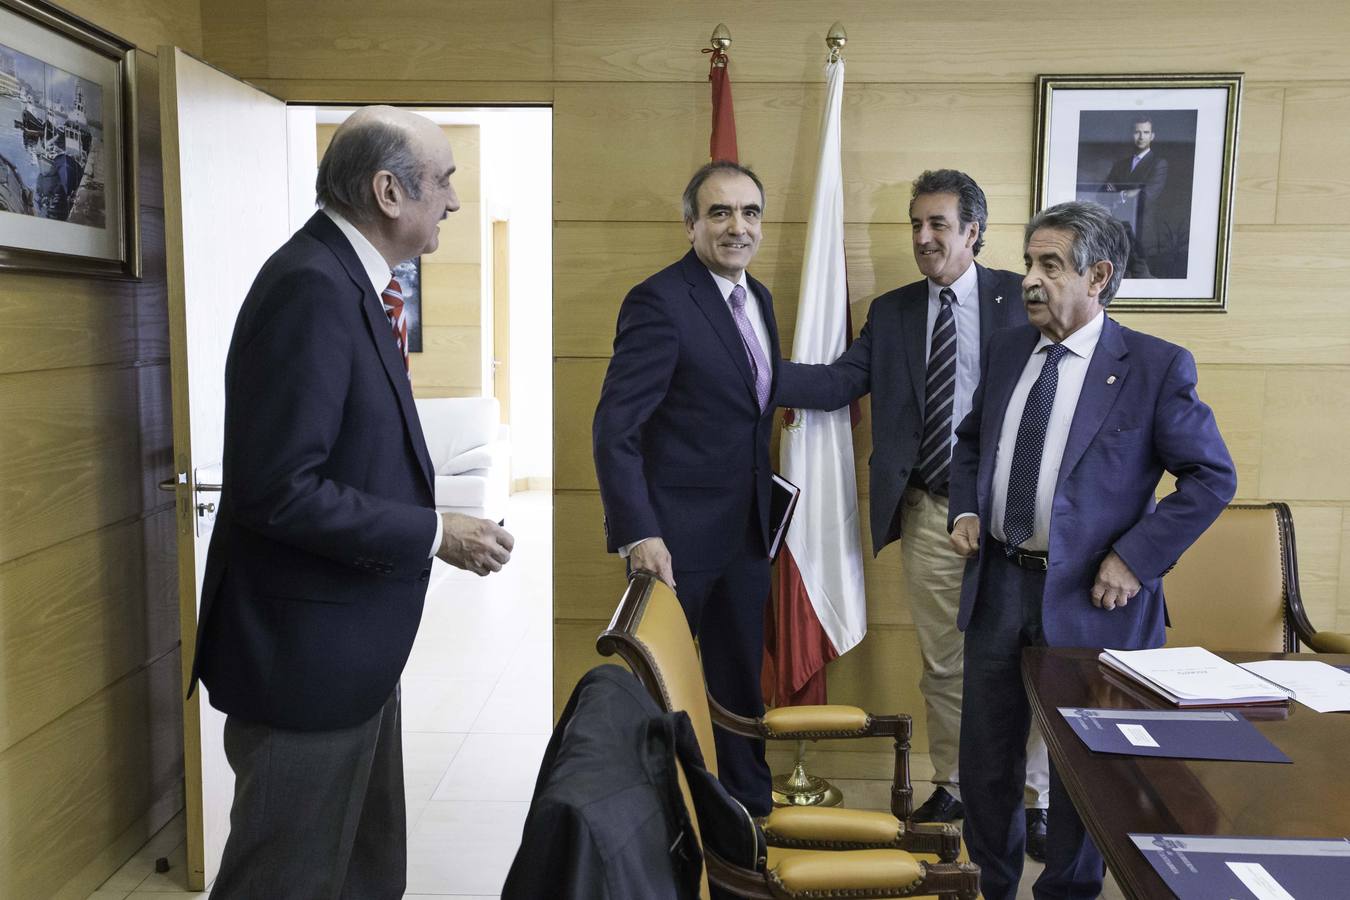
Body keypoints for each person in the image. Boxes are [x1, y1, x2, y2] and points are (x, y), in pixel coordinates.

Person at [190, 106, 515, 899]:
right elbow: (280, 491)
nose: (454, 201)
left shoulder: (352, 280)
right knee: (287, 881)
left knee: (363, 874)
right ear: (389, 192)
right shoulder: (311, 287)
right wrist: (435, 532)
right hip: (304, 662)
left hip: (350, 653)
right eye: (443, 182)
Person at [948, 200, 1235, 900]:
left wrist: (1135, 557)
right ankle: (993, 885)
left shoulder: (1154, 367)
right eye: (1028, 264)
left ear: (1098, 275)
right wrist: (965, 505)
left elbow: (1211, 476)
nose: (1031, 280)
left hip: (1091, 599)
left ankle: (1068, 894)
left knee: (1085, 770)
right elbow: (973, 441)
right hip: (999, 586)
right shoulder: (1012, 346)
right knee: (986, 763)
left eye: (1051, 265)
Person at [775, 169, 1052, 856]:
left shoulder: (1021, 302)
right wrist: (754, 370)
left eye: (938, 225)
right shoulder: (895, 311)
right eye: (916, 224)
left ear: (974, 232)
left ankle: (1036, 796)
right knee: (947, 663)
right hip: (931, 513)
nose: (924, 238)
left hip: (1019, 520)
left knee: (1033, 659)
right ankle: (957, 782)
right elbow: (841, 381)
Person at [592, 161, 780, 816]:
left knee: (739, 694)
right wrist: (639, 532)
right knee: (660, 698)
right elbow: (615, 429)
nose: (738, 227)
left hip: (746, 540)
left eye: (750, 212)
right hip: (673, 545)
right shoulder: (660, 300)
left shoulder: (759, 299)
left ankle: (746, 824)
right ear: (691, 222)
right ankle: (651, 830)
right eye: (721, 213)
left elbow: (758, 395)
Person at [1101, 118, 1168, 277]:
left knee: (1142, 281)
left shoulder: (1158, 164)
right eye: (1137, 132)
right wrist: (1127, 192)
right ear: (1132, 135)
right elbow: (1105, 189)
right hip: (1118, 231)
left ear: (1152, 136)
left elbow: (1148, 194)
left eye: (1146, 132)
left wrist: (1122, 193)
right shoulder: (1120, 164)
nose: (1141, 137)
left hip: (1143, 234)